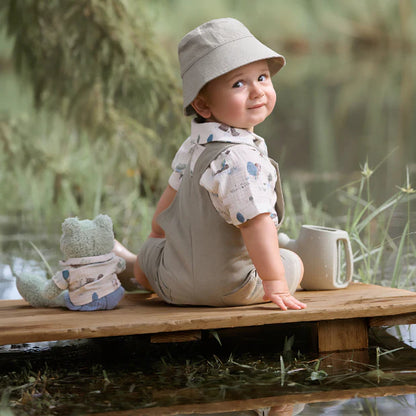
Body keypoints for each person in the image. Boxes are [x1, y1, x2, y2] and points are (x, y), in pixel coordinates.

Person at [115, 17, 306, 311]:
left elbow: (168, 204)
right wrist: (274, 282)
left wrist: (156, 238)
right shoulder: (241, 159)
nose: (257, 91)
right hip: (232, 289)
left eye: (263, 77)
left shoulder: (193, 147)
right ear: (203, 105)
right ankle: (292, 273)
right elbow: (256, 222)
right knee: (293, 262)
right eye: (239, 83)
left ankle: (133, 268)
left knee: (151, 254)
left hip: (172, 286)